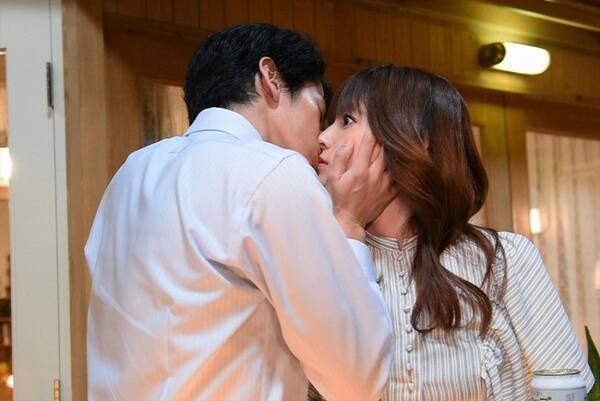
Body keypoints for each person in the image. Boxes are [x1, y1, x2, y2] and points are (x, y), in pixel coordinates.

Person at [84, 24, 396, 401]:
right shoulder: (274, 171)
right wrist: (348, 225)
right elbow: (356, 381)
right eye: (318, 109)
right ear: (271, 78)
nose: (321, 138)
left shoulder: (131, 172)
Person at [314, 65, 594, 400]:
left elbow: (568, 387)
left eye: (347, 120)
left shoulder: (506, 258)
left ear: (415, 139)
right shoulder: (312, 256)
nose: (323, 137)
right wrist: (347, 225)